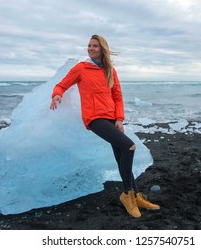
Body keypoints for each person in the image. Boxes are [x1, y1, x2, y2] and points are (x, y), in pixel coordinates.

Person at [50, 34, 160, 218]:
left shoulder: (110, 71)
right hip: (95, 119)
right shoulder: (81, 68)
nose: (90, 48)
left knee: (121, 157)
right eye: (89, 45)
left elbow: (117, 96)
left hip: (111, 118)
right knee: (130, 147)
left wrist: (119, 118)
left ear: (102, 49)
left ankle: (135, 195)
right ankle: (127, 195)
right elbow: (62, 85)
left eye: (95, 46)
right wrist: (56, 94)